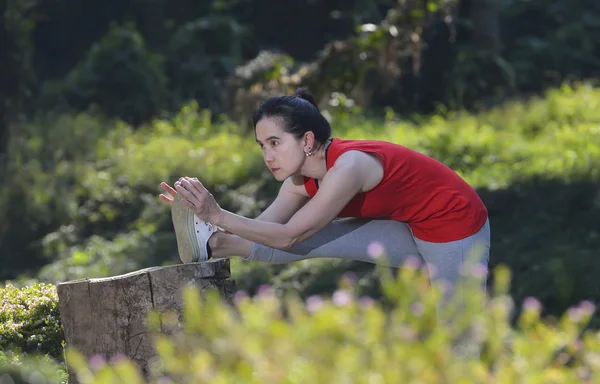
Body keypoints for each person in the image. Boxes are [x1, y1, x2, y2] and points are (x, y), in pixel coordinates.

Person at [159, 87, 491, 305]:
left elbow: (288, 236)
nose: (267, 155)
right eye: (262, 146)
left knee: (459, 337)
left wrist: (217, 214)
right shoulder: (298, 180)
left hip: (454, 227)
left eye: (275, 142)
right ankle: (214, 244)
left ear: (306, 141)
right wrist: (203, 216)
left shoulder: (349, 167)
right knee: (313, 239)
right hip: (411, 227)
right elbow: (265, 229)